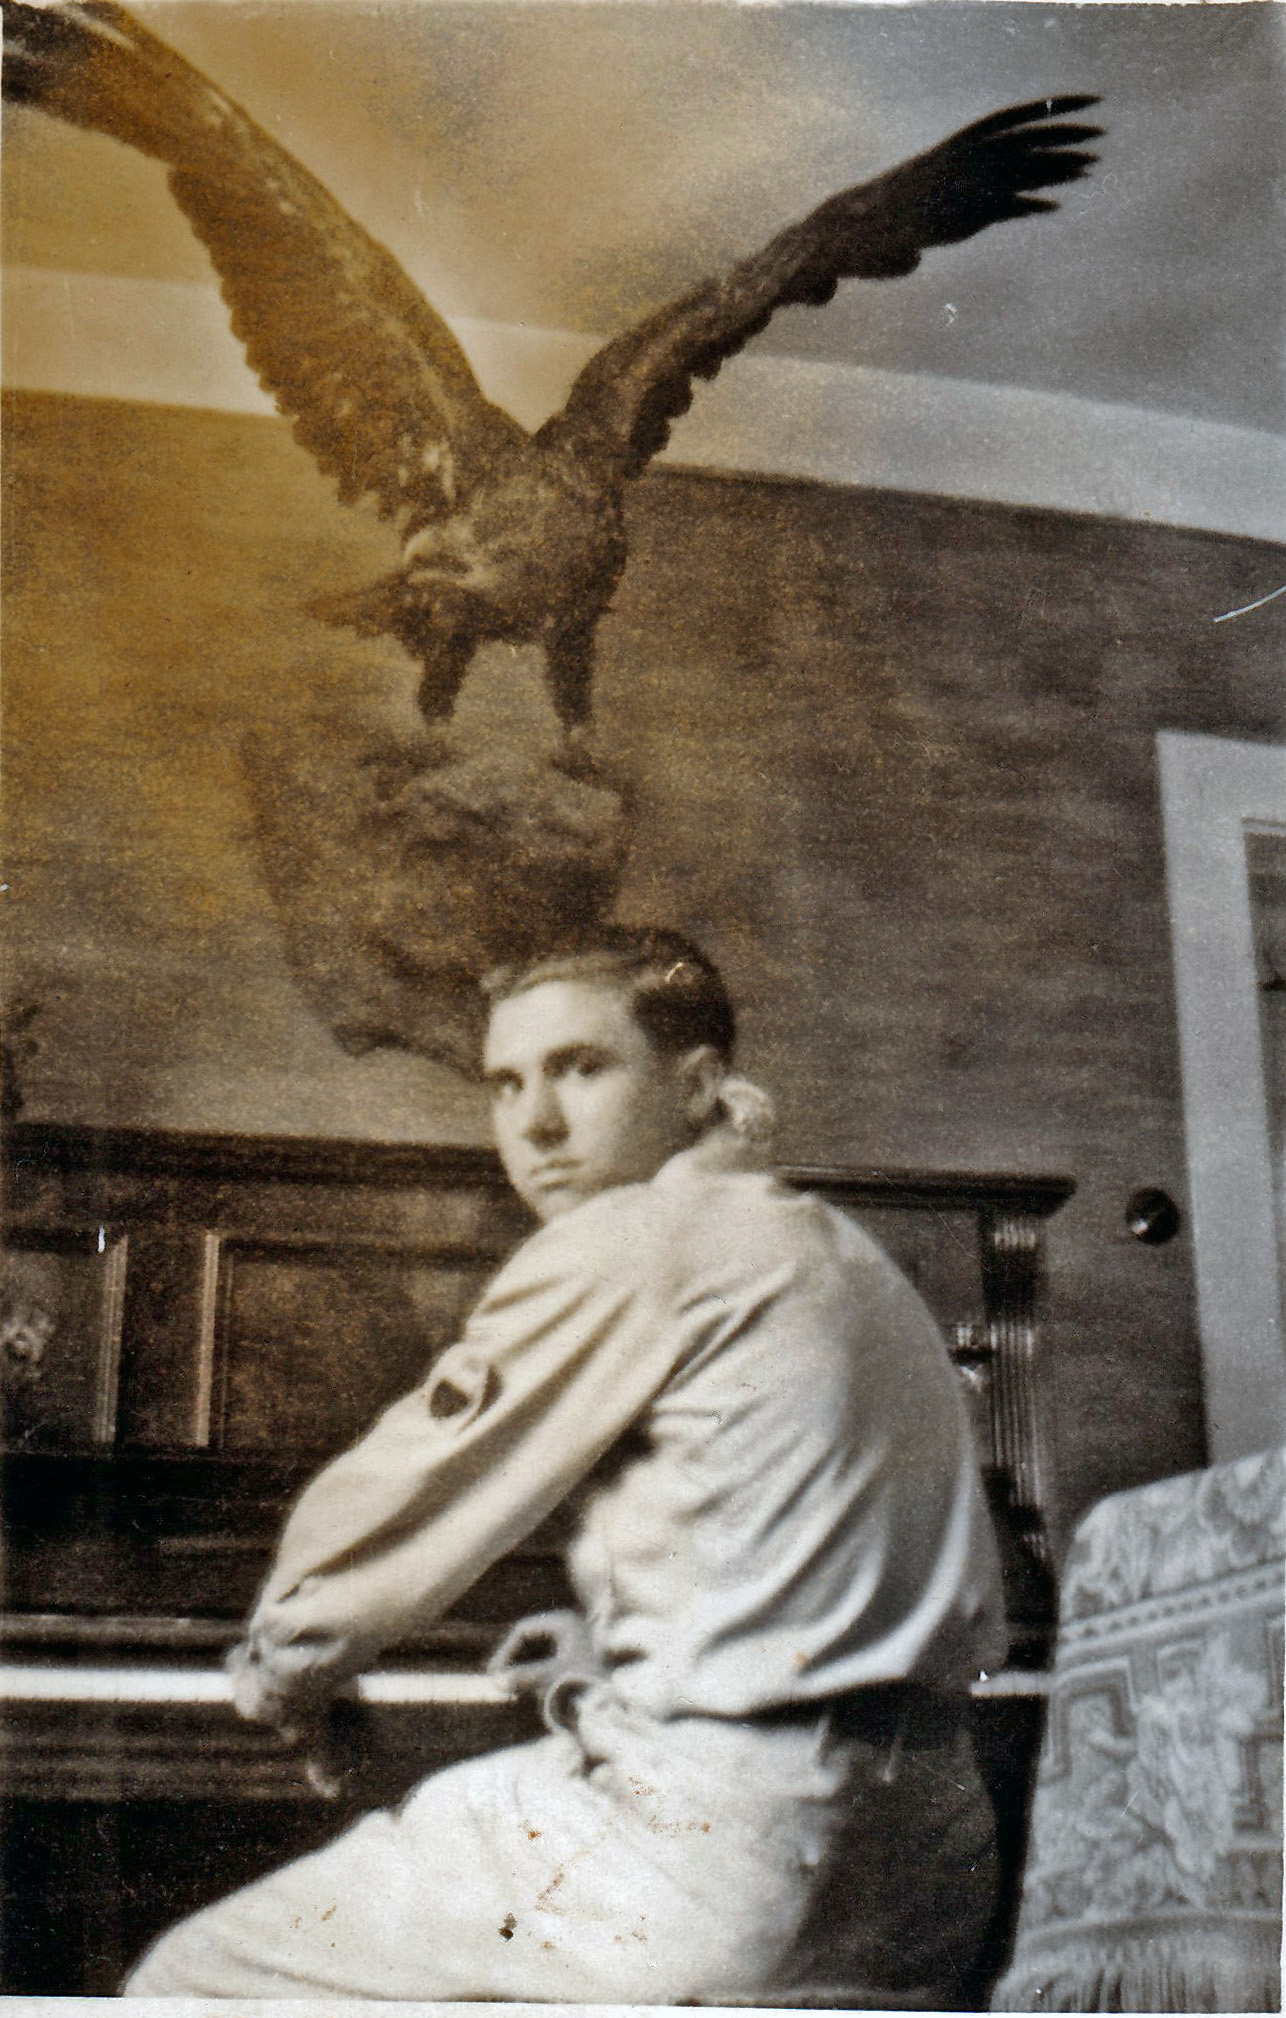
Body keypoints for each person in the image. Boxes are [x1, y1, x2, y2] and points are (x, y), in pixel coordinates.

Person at [126, 926, 1007, 2003]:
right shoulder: (845, 1249)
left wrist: (284, 1669)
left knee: (193, 1977)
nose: (534, 1123)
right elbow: (819, 1560)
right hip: (930, 1859)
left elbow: (396, 1506)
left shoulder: (632, 1236)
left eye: (580, 1068)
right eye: (505, 1084)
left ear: (697, 1085)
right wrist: (620, 1645)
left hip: (727, 1859)